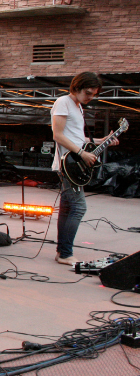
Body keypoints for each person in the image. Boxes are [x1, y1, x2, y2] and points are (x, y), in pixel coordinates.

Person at [51, 72, 117, 265]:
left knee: (67, 208)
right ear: (76, 88)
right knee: (79, 207)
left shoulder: (78, 107)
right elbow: (58, 135)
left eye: (94, 94)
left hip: (73, 162)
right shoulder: (63, 102)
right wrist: (81, 153)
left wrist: (102, 141)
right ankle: (65, 253)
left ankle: (62, 252)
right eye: (88, 93)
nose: (91, 97)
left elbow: (78, 139)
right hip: (68, 164)